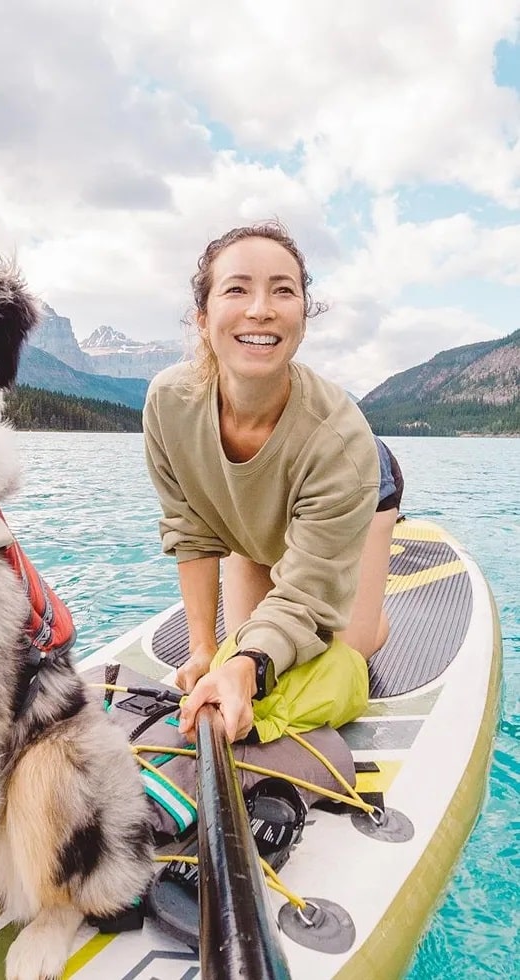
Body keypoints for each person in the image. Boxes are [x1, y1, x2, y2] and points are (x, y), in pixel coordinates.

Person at [143, 221, 403, 745]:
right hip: (256, 518)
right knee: (242, 649)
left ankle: (371, 615)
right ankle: (272, 557)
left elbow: (305, 600)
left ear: (302, 318)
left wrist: (245, 667)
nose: (260, 308)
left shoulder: (341, 440)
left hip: (364, 486)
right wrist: (201, 650)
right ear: (203, 317)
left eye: (283, 290)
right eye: (237, 288)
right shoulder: (169, 404)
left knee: (338, 652)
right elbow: (191, 530)